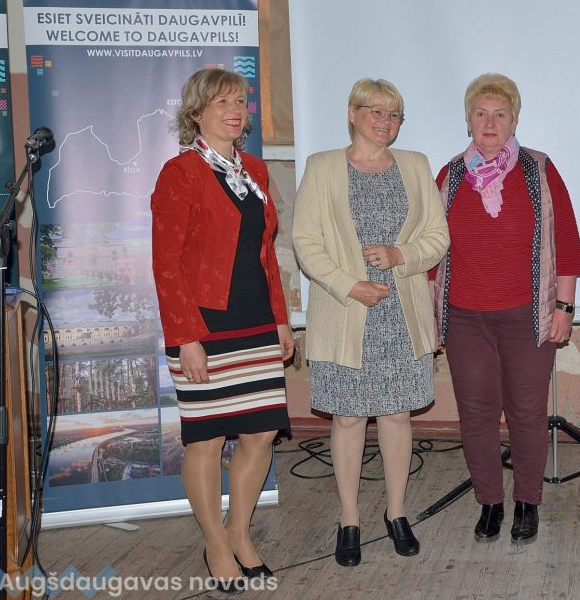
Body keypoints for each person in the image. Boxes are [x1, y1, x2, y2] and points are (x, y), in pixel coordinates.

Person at [292, 78, 449, 567]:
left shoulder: (416, 165)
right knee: (348, 417)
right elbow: (306, 243)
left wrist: (400, 255)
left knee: (398, 416)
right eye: (375, 110)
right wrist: (349, 285)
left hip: (402, 315)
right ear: (352, 113)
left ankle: (396, 512)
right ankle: (349, 518)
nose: (385, 121)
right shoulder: (322, 167)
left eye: (394, 114)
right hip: (344, 315)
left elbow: (438, 237)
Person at [151, 68, 293, 593]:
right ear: (196, 114)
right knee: (207, 439)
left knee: (260, 433)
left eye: (239, 102)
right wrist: (185, 336)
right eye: (221, 103)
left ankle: (240, 532)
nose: (235, 111)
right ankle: (215, 543)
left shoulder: (253, 169)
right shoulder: (180, 173)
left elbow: (265, 255)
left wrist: (281, 318)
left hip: (255, 320)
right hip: (204, 326)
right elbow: (165, 264)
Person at [432, 72, 580, 545]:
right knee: (476, 414)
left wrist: (564, 307)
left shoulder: (539, 170)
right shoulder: (449, 176)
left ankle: (526, 502)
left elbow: (566, 243)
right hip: (464, 318)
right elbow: (430, 253)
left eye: (500, 114)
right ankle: (490, 502)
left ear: (514, 121)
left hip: (527, 315)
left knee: (527, 412)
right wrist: (429, 316)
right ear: (468, 121)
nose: (490, 122)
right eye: (480, 114)